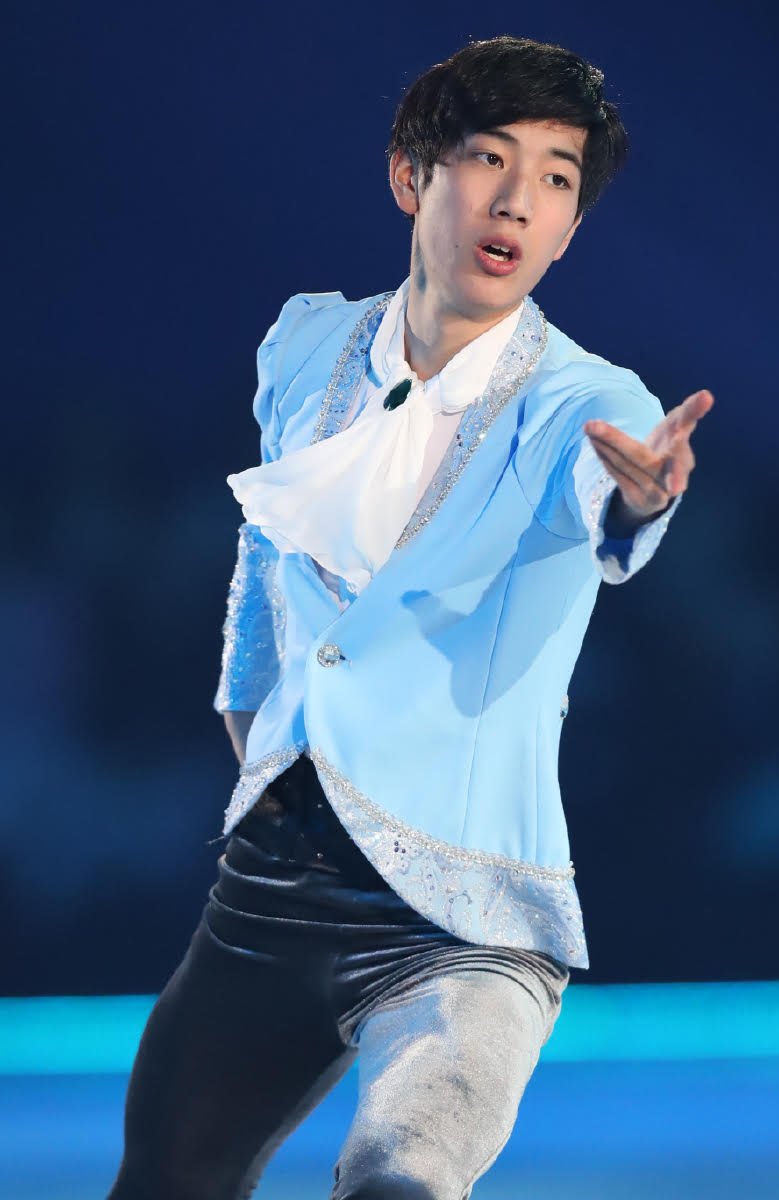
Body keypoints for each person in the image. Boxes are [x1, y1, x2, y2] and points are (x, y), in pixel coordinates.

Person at [108, 35, 713, 1200]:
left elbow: (607, 494)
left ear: (568, 226)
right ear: (410, 175)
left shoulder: (584, 402)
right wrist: (256, 733)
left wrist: (641, 498)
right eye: (489, 158)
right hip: (273, 887)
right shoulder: (305, 342)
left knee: (400, 1177)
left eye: (554, 179)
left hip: (467, 923)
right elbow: (265, 554)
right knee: (163, 1181)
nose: (516, 200)